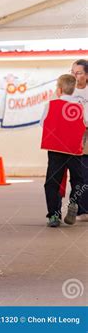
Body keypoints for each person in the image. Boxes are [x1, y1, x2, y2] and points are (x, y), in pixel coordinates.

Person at [40, 74, 85, 227]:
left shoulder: (50, 105)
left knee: (52, 183)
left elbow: (42, 124)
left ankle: (54, 215)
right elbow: (84, 124)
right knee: (78, 179)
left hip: (55, 149)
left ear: (59, 89)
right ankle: (73, 202)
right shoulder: (79, 106)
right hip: (74, 150)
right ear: (73, 89)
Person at [70, 59, 88, 220]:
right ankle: (81, 210)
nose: (75, 76)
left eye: (79, 73)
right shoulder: (68, 91)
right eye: (72, 72)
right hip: (73, 140)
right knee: (79, 174)